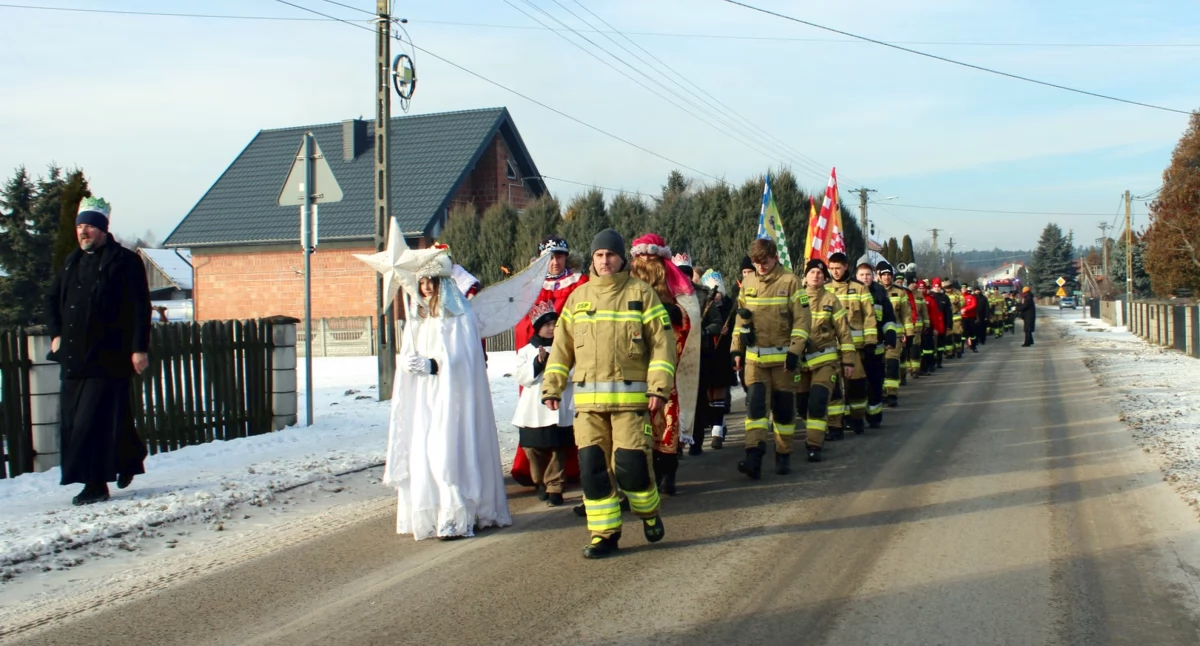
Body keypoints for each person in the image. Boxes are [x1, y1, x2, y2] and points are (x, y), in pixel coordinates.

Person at [542, 229, 676, 559]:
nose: (605, 260)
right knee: (592, 470)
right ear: (593, 259)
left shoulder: (642, 294)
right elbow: (561, 348)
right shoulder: (578, 298)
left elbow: (663, 344)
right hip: (588, 405)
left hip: (631, 404)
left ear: (622, 259)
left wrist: (658, 387)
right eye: (599, 255)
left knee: (631, 469)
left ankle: (648, 513)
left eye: (611, 255)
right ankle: (605, 534)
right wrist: (552, 386)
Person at [388, 250, 510, 541]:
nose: (426, 286)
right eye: (422, 281)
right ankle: (430, 513)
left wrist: (435, 365)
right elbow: (408, 351)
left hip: (451, 397)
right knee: (424, 452)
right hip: (423, 398)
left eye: (432, 280)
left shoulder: (459, 314)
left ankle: (457, 515)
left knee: (446, 453)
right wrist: (406, 362)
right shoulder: (417, 317)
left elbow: (464, 359)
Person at [46, 197, 150, 506]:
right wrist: (56, 334)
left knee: (91, 421)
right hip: (75, 357)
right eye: (80, 226)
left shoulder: (125, 261)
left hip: (110, 356)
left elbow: (140, 309)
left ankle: (95, 484)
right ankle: (130, 456)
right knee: (100, 418)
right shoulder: (71, 262)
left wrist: (138, 349)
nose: (83, 232)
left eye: (89, 226)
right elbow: (51, 300)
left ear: (103, 229)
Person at [511, 235, 587, 489]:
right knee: (536, 415)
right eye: (550, 257)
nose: (555, 262)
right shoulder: (530, 285)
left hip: (570, 354)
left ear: (566, 257)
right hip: (538, 356)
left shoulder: (579, 283)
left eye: (559, 256)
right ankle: (539, 472)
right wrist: (534, 349)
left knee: (566, 416)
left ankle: (569, 469)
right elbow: (522, 324)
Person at [730, 239, 809, 478]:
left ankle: (783, 455)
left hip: (784, 363)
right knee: (755, 409)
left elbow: (802, 322)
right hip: (756, 361)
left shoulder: (791, 282)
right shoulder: (748, 282)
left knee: (784, 411)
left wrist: (795, 352)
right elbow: (740, 319)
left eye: (764, 261)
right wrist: (736, 349)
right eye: (755, 262)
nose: (760, 266)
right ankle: (753, 456)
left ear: (775, 257)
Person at [629, 234, 695, 496]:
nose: (646, 262)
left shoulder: (675, 287)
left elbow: (691, 320)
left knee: (667, 423)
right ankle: (642, 476)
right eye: (641, 257)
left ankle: (668, 472)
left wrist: (676, 314)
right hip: (633, 368)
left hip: (667, 369)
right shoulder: (627, 285)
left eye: (651, 257)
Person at [512, 301, 573, 507]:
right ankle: (540, 481)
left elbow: (574, 372)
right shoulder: (526, 350)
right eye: (546, 325)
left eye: (554, 324)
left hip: (559, 404)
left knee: (558, 449)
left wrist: (556, 367)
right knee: (533, 448)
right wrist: (538, 363)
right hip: (533, 408)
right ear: (538, 327)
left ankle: (555, 486)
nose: (550, 328)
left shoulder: (564, 347)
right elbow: (521, 376)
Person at [795, 259, 856, 463]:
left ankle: (814, 444)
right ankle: (813, 432)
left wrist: (848, 361)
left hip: (825, 361)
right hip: (800, 363)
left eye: (820, 273)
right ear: (805, 276)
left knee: (818, 401)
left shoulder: (832, 300)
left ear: (825, 277)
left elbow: (844, 333)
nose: (816, 275)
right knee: (802, 405)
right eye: (812, 272)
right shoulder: (795, 298)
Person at [825, 252, 876, 437]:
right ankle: (836, 425)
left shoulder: (860, 288)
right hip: (831, 347)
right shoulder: (825, 289)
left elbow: (869, 316)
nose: (835, 272)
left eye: (838, 268)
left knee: (856, 385)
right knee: (834, 388)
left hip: (855, 349)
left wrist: (870, 342)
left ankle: (857, 418)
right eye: (831, 269)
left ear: (846, 267)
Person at [856, 257, 897, 428]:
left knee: (875, 383)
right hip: (856, 348)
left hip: (877, 347)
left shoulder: (880, 294)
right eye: (862, 274)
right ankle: (854, 418)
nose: (865, 277)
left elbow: (889, 318)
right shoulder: (851, 293)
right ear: (856, 275)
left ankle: (874, 415)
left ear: (873, 276)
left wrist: (890, 335)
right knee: (856, 385)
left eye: (868, 274)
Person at [698, 268, 734, 450]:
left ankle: (717, 431)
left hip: (722, 354)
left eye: (718, 292)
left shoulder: (730, 308)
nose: (716, 296)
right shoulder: (702, 306)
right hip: (706, 353)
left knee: (719, 391)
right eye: (713, 292)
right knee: (708, 394)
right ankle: (718, 423)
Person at [876, 262, 910, 408]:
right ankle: (882, 392)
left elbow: (905, 314)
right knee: (880, 365)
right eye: (884, 275)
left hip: (895, 335)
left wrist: (908, 332)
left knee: (892, 364)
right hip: (877, 335)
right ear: (879, 276)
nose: (887, 277)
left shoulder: (900, 292)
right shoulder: (873, 291)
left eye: (889, 274)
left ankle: (892, 394)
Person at [915, 280, 943, 376]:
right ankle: (921, 367)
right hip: (917, 327)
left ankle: (929, 365)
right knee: (919, 348)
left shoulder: (930, 299)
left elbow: (935, 315)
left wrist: (935, 328)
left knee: (928, 347)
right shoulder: (914, 298)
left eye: (923, 288)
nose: (921, 290)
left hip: (928, 326)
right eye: (920, 288)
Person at [962, 287, 979, 353]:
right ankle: (961, 348)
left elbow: (974, 305)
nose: (963, 290)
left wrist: (965, 309)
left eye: (964, 288)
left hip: (971, 317)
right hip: (963, 317)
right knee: (963, 332)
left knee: (972, 332)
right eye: (962, 289)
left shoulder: (971, 297)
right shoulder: (959, 296)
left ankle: (973, 346)